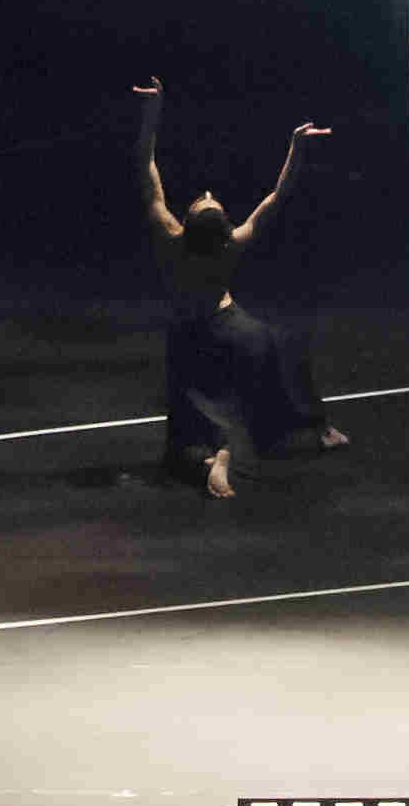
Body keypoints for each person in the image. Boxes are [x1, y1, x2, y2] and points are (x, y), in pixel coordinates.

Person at [132, 77, 338, 498]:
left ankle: (210, 457)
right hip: (232, 325)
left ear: (184, 220)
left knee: (182, 432)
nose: (207, 192)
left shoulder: (171, 239)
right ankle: (309, 429)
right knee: (276, 360)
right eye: (211, 199)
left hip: (189, 330)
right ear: (225, 226)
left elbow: (145, 168)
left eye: (201, 199)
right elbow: (278, 197)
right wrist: (296, 148)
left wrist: (152, 115)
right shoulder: (231, 245)